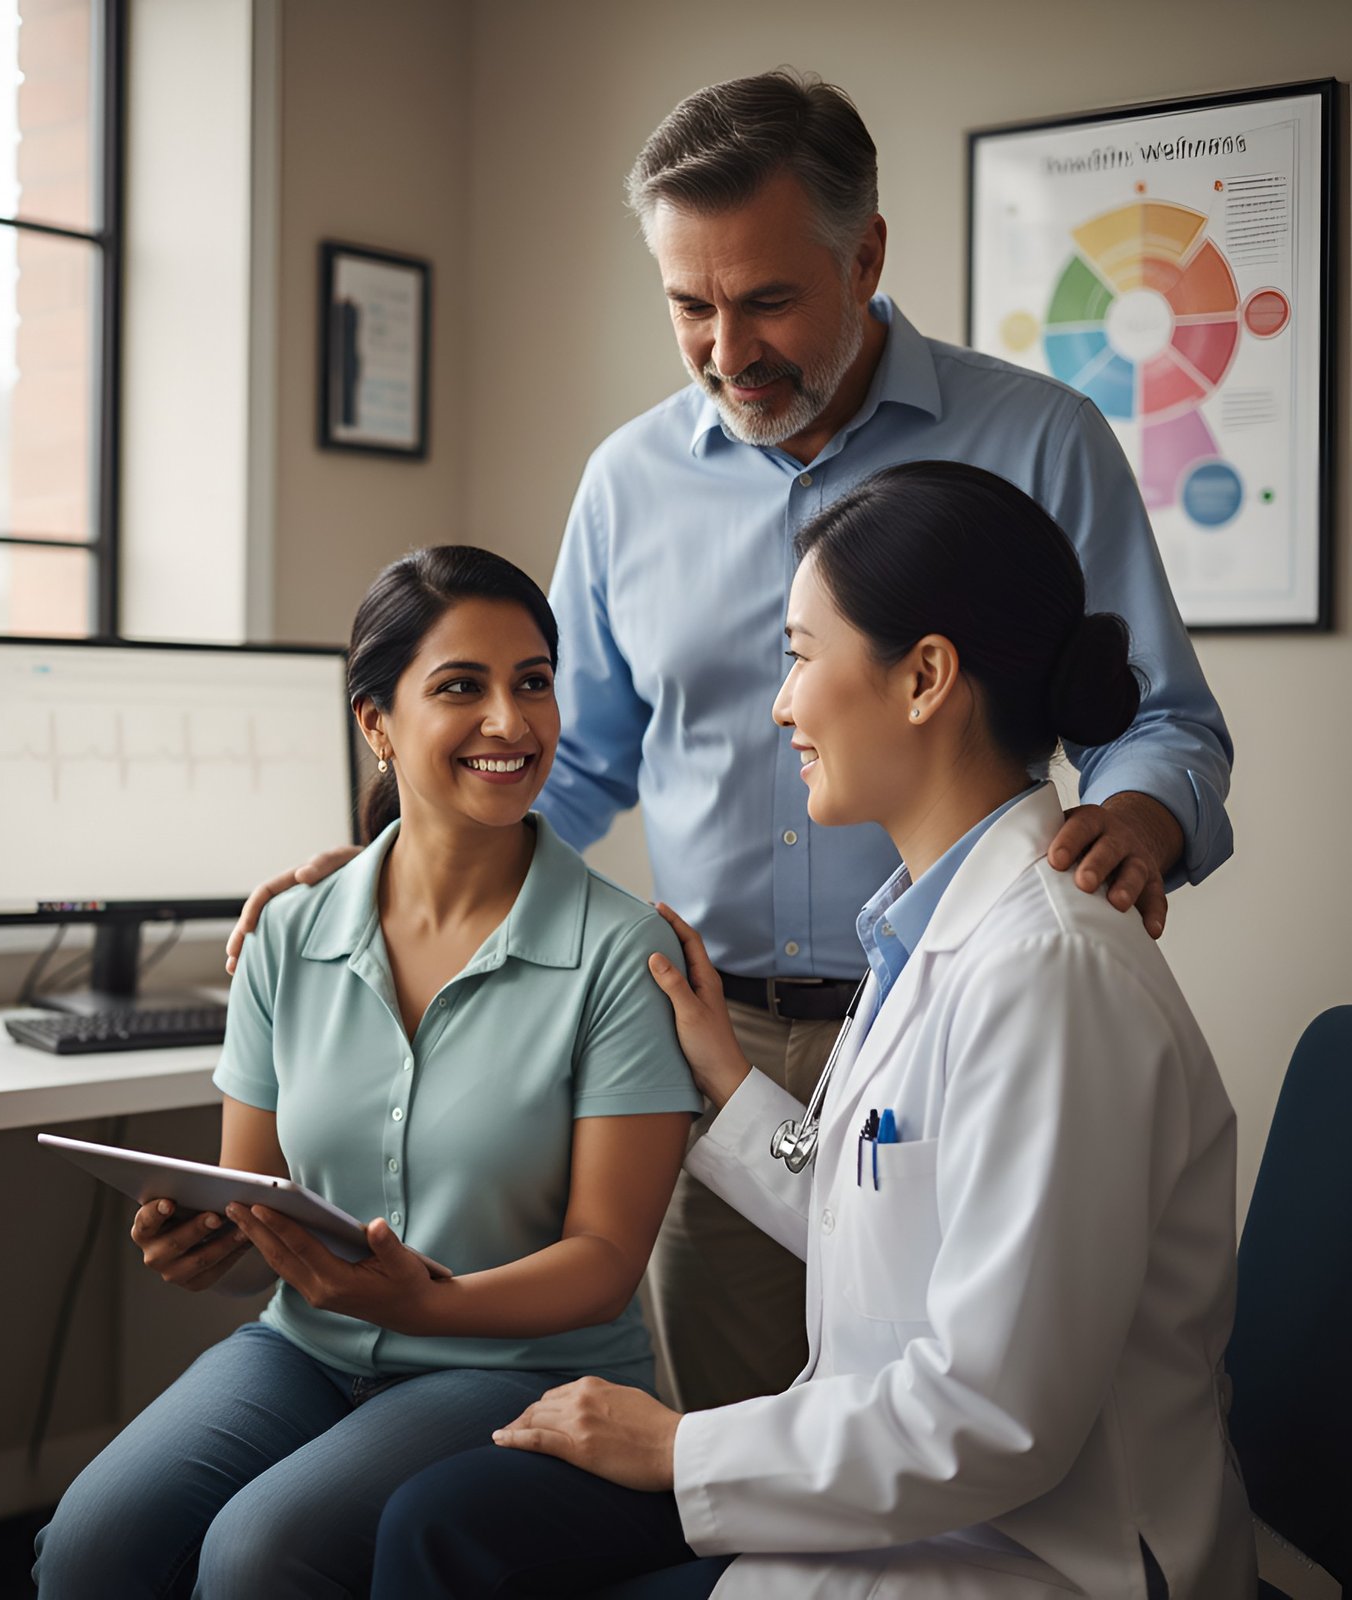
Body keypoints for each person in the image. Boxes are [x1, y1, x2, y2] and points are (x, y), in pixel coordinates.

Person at [225, 70, 1235, 1413]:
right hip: (706, 1039)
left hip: (950, 1011)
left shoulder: (1039, 440)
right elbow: (565, 766)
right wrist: (381, 878)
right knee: (735, 1448)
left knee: (974, 1398)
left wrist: (1143, 815)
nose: (726, 350)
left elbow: (1155, 714)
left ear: (865, 255)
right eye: (689, 308)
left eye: (766, 301)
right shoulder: (627, 482)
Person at [369, 462, 1252, 1600]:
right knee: (447, 1526)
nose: (780, 705)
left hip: (1028, 1556)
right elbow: (869, 1194)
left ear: (925, 676)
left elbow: (992, 1416)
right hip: (909, 1500)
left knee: (465, 1540)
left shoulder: (1049, 973)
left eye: (798, 655)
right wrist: (727, 1086)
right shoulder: (931, 926)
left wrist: (675, 1443)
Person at [33, 546, 700, 1598]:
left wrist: (423, 1303)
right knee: (88, 1541)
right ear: (375, 723)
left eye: (532, 681)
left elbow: (606, 1257)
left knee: (259, 1552)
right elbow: (264, 1213)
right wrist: (212, 1244)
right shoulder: (289, 934)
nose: (511, 722)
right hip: (307, 1347)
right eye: (460, 688)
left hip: (519, 1362)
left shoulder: (623, 952)